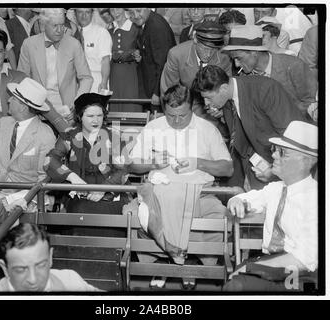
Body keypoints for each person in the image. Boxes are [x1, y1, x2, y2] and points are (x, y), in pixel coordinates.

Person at [128, 84, 233, 288]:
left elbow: (228, 168)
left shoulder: (207, 129)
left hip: (200, 194)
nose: (176, 121)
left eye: (182, 116)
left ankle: (185, 263)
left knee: (220, 214)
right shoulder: (153, 127)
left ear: (192, 107)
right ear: (164, 110)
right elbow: (132, 164)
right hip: (158, 193)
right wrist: (152, 163)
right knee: (132, 212)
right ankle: (167, 262)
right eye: (170, 116)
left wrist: (198, 162)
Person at [224, 121, 318, 291]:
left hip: (299, 273)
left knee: (236, 286)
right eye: (275, 150)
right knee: (235, 281)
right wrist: (237, 201)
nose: (273, 155)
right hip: (270, 261)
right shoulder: (275, 189)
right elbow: (247, 198)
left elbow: (304, 259)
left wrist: (253, 268)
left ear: (306, 162)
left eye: (283, 153)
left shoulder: (315, 199)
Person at [0, 78, 56, 256]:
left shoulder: (45, 134)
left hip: (28, 198)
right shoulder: (4, 123)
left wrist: (13, 200)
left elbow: (44, 180)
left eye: (13, 98)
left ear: (24, 107)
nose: (9, 100)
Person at [192, 65, 305, 190]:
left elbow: (295, 138)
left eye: (208, 98)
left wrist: (275, 170)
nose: (206, 104)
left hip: (289, 168)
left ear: (223, 88)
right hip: (257, 168)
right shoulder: (227, 98)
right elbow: (244, 141)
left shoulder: (266, 89)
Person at [45, 93, 130, 237]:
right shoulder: (69, 135)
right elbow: (50, 161)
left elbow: (124, 170)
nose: (96, 120)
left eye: (100, 115)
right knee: (80, 211)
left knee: (108, 217)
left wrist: (104, 189)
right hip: (78, 195)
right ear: (79, 116)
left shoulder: (114, 137)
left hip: (110, 193)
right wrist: (73, 179)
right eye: (90, 116)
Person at [221, 25, 317, 117]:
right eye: (234, 59)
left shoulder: (293, 65)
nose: (236, 64)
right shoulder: (243, 77)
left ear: (254, 52)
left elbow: (311, 102)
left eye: (239, 58)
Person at [18, 8, 93, 120]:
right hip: (36, 109)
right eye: (55, 26)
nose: (59, 30)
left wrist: (77, 104)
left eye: (62, 25)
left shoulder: (74, 44)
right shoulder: (29, 44)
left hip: (67, 110)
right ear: (44, 25)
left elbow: (86, 78)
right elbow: (22, 78)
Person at [0, 223, 102, 291]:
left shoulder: (71, 281)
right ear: (5, 268)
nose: (33, 280)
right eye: (21, 270)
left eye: (40, 265)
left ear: (50, 257)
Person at [160, 21, 231, 122]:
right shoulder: (176, 54)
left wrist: (222, 110)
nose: (208, 54)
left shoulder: (224, 57)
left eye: (213, 49)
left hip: (211, 109)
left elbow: (227, 91)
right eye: (205, 49)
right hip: (183, 104)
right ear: (195, 40)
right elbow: (168, 91)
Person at [127, 8, 176, 111]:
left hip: (159, 91)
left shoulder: (156, 26)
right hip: (150, 88)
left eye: (138, 10)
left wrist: (157, 93)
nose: (135, 15)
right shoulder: (147, 22)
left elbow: (163, 62)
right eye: (131, 12)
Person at [108, 8, 141, 112]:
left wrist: (134, 55)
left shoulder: (135, 28)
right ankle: (116, 127)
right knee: (115, 102)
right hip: (114, 72)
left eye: (118, 9)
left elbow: (141, 51)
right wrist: (128, 53)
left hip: (130, 72)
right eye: (112, 10)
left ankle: (132, 128)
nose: (115, 13)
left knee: (129, 102)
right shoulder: (109, 29)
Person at [73, 8, 112, 94]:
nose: (84, 16)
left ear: (92, 14)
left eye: (87, 12)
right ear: (75, 14)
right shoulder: (72, 34)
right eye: (80, 12)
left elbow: (105, 60)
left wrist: (104, 82)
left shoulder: (101, 32)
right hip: (75, 83)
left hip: (96, 82)